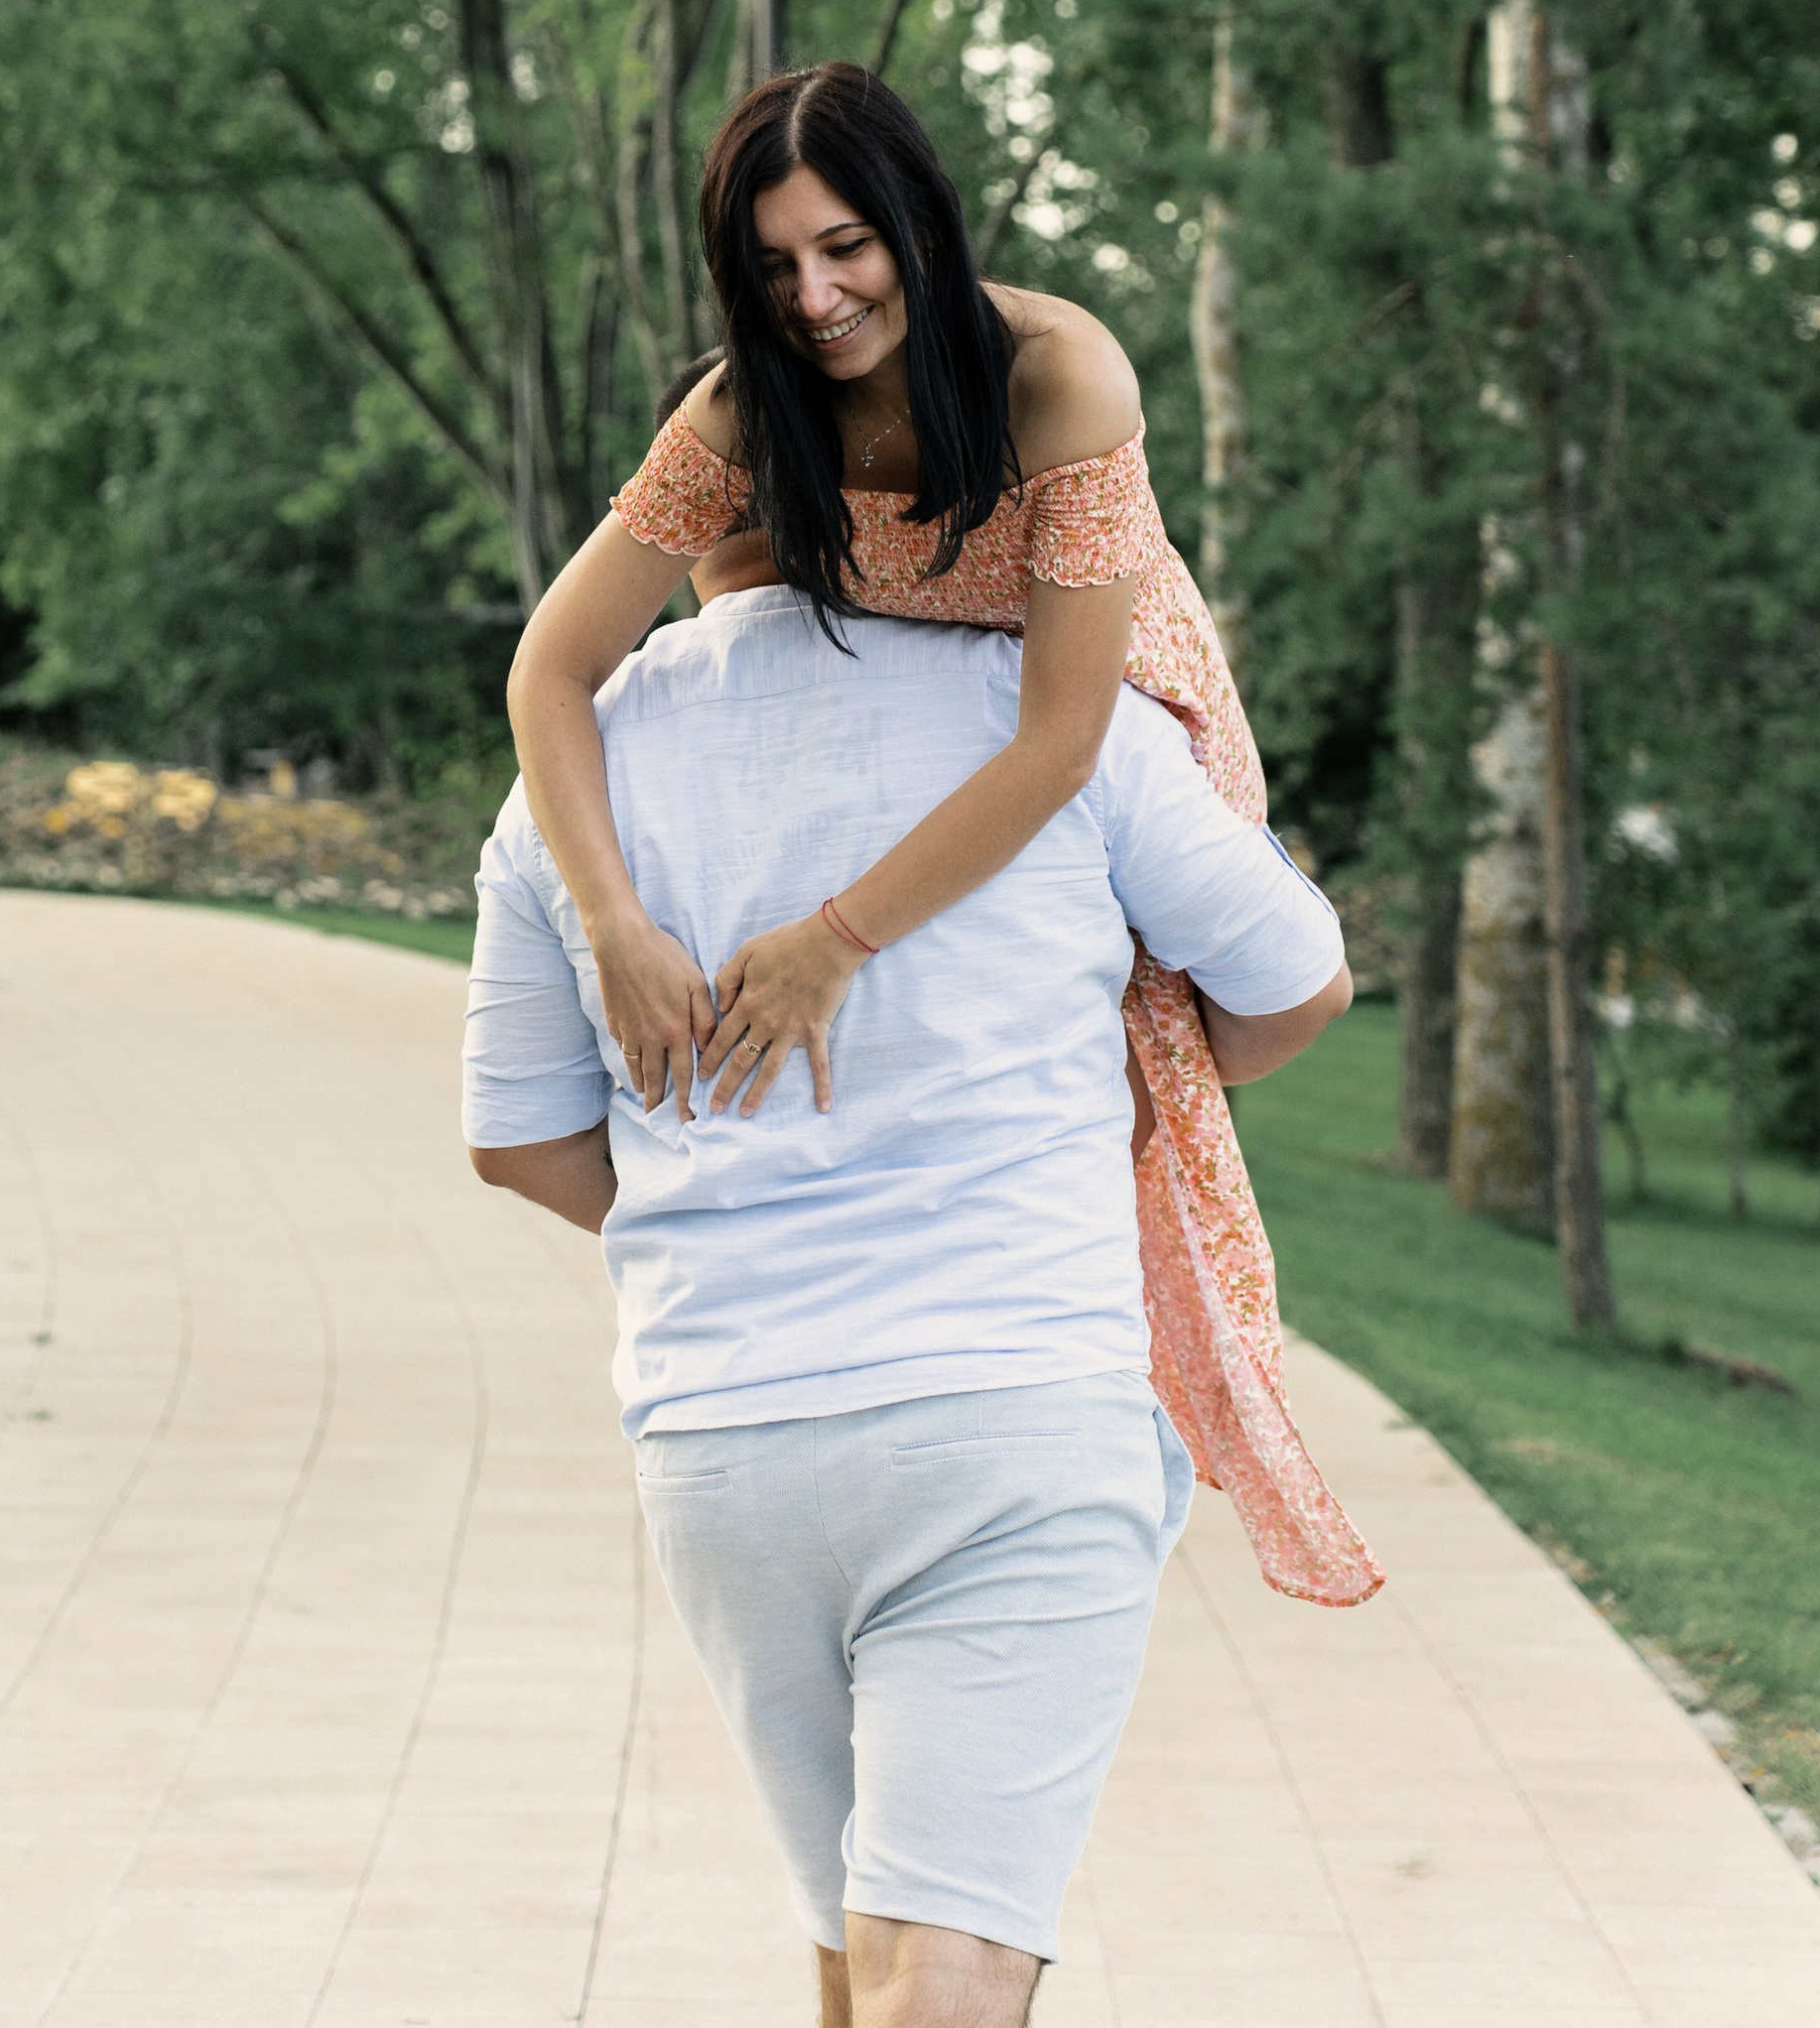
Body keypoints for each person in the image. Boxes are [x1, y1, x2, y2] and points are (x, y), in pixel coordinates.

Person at [505, 60, 1379, 1609]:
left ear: (916, 218)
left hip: (1095, 692)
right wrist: (614, 925)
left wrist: (833, 942)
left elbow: (1058, 735)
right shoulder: (737, 408)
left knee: (1152, 1056)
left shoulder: (1058, 371)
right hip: (894, 661)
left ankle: (1096, 1428)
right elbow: (550, 668)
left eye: (846, 245)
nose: (819, 295)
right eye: (773, 266)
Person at [464, 582, 1353, 2026]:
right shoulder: (1060, 724)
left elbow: (517, 1136)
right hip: (1010, 1408)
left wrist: (743, 1205)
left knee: (860, 1960)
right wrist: (1104, 1095)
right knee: (941, 1976)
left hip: (723, 1437)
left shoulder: (574, 773)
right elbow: (1296, 986)